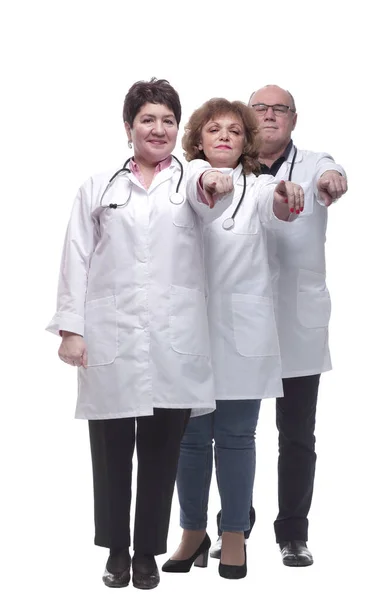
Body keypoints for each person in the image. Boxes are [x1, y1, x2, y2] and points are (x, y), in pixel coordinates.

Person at [46, 78, 233, 590]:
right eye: (148, 119)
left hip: (173, 342)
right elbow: (76, 258)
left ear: (178, 129)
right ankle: (115, 551)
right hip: (110, 337)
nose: (159, 129)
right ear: (129, 128)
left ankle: (147, 553)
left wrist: (218, 181)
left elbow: (213, 192)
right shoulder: (98, 185)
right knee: (110, 452)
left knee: (159, 452)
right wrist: (71, 329)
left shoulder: (189, 180)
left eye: (169, 121)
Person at [161, 98, 304, 579]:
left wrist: (287, 192)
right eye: (213, 129)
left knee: (238, 438)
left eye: (234, 131)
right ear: (197, 138)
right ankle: (191, 531)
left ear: (247, 142)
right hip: (189, 333)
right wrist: (205, 181)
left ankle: (235, 534)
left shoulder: (259, 187)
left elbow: (280, 207)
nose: (224, 135)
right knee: (191, 439)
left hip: (244, 335)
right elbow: (197, 190)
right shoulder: (179, 183)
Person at [210, 85, 348, 567]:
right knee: (231, 431)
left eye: (280, 109)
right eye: (260, 109)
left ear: (293, 119)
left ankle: (293, 532)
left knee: (296, 434)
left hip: (294, 319)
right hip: (237, 321)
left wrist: (333, 179)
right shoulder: (225, 164)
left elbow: (333, 172)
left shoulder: (311, 165)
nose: (269, 116)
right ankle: (234, 525)